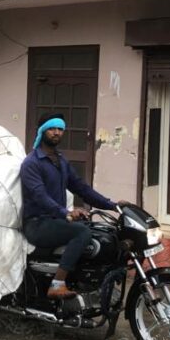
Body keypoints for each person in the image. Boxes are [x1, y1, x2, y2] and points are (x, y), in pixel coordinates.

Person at [20, 113, 122, 299]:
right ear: (42, 131)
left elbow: (81, 188)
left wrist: (112, 205)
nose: (57, 132)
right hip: (37, 224)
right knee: (81, 232)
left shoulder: (61, 160)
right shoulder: (32, 163)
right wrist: (65, 213)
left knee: (103, 233)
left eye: (60, 129)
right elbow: (40, 196)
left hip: (56, 220)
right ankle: (57, 284)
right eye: (52, 129)